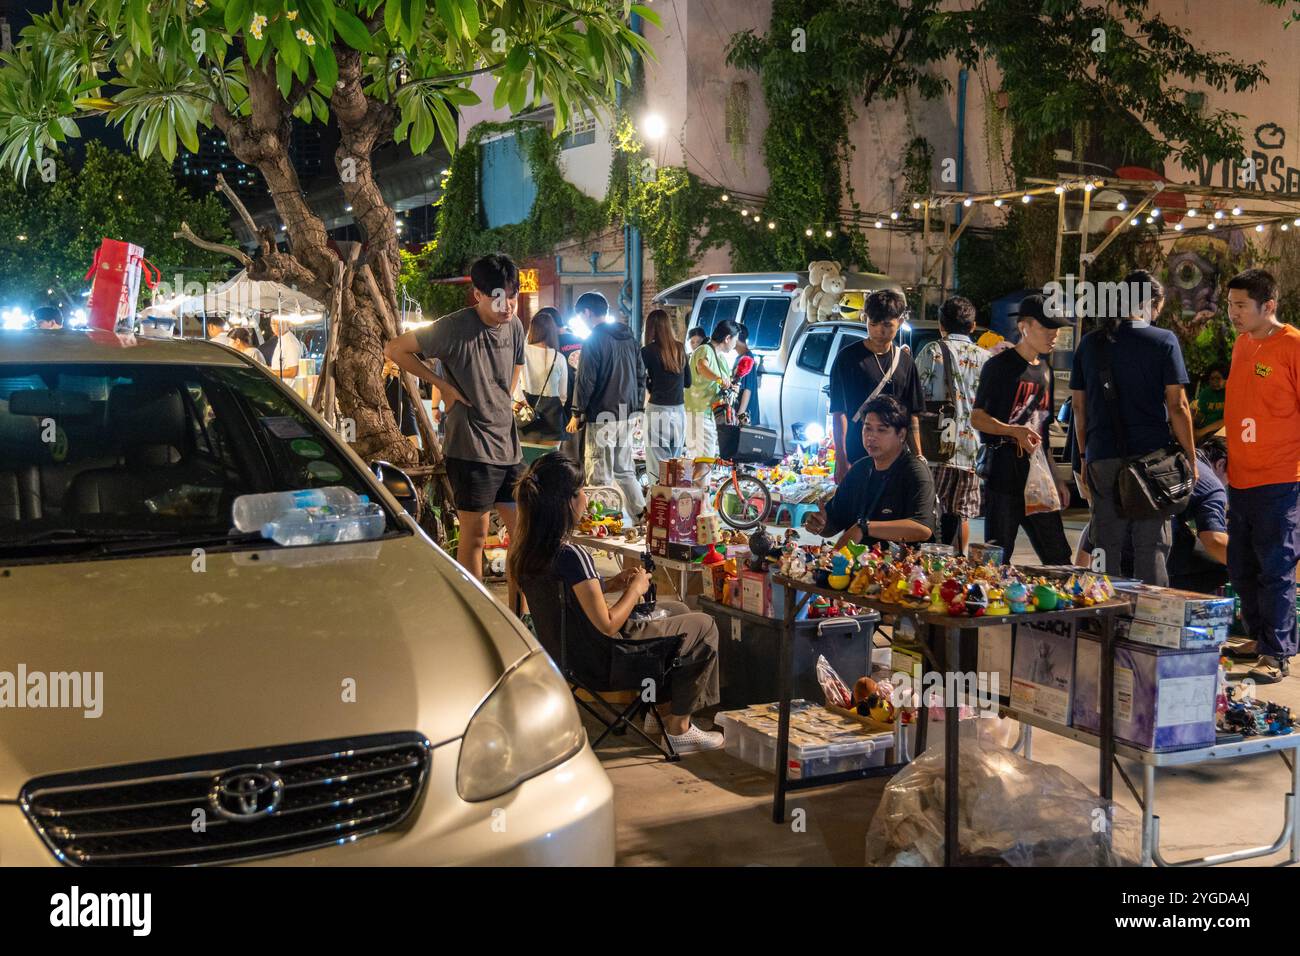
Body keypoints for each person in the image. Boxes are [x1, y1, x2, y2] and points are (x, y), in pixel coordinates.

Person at [511, 454, 724, 754]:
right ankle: (679, 729)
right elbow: (608, 624)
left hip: (567, 653)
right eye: (582, 491)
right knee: (704, 626)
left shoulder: (527, 550)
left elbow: (569, 599)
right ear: (568, 502)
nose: (586, 499)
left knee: (677, 611)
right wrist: (635, 590)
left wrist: (610, 584)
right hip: (604, 660)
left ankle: (659, 712)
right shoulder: (572, 555)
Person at [385, 253, 527, 607]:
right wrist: (441, 385)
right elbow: (395, 349)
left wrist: (503, 398)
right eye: (498, 297)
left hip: (509, 447)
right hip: (470, 448)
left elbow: (516, 366)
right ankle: (480, 614)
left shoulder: (515, 326)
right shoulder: (452, 327)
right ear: (477, 294)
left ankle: (518, 616)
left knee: (524, 536)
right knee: (475, 537)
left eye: (513, 296)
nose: (507, 306)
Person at [1070, 271, 1195, 586]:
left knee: (1105, 543)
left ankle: (1102, 617)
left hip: (1102, 456)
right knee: (1150, 545)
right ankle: (1149, 623)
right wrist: (1190, 456)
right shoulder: (1163, 341)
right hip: (1152, 462)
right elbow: (1178, 407)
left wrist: (1085, 456)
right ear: (1150, 303)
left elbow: (1078, 408)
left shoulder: (1089, 344)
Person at [1223, 268, 1300, 683]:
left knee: (1276, 568)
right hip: (1240, 478)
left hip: (1281, 479)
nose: (1232, 313)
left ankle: (1277, 652)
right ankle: (1259, 636)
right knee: (1240, 567)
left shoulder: (1294, 345)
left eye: (1240, 306)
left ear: (1267, 306)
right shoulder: (1241, 344)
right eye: (1230, 305)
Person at [971, 294, 1073, 565]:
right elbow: (977, 418)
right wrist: (1013, 431)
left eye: (1057, 329)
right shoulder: (999, 367)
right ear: (1024, 328)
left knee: (1059, 556)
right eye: (1047, 328)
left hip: (1038, 478)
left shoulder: (1046, 371)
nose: (1054, 335)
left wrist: (1057, 479)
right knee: (996, 558)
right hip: (1004, 475)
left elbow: (1045, 432)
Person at [1075, 445, 1228, 593]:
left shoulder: (1169, 456)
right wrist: (1249, 563)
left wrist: (1078, 578)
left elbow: (1094, 523)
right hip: (1147, 554)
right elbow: (1214, 541)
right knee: (1228, 565)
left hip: (1113, 551)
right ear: (1221, 463)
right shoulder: (1212, 486)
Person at [806, 396, 937, 548]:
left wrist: (864, 528)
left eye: (881, 430)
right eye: (867, 428)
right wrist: (820, 524)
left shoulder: (915, 471)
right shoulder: (859, 470)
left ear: (901, 435)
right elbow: (833, 525)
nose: (871, 436)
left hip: (904, 566)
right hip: (858, 564)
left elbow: (922, 529)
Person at [915, 295, 989, 555]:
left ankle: (930, 566)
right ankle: (958, 562)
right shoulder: (987, 358)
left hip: (938, 446)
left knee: (932, 510)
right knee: (962, 514)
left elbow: (916, 397)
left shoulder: (932, 351)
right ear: (973, 326)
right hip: (973, 450)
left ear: (941, 325)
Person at [828, 289, 925, 483]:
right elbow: (839, 412)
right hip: (858, 454)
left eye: (887, 325)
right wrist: (841, 458)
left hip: (896, 457)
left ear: (900, 322)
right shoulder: (847, 358)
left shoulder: (906, 362)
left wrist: (919, 457)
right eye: (873, 324)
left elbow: (912, 414)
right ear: (865, 319)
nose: (880, 331)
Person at [567, 293, 647, 518]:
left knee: (599, 472)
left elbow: (586, 380)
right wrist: (638, 408)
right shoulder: (629, 338)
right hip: (627, 414)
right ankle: (641, 515)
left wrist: (577, 412)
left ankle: (603, 522)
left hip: (602, 416)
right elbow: (641, 375)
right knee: (625, 470)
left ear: (586, 313)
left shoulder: (594, 339)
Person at [513, 307, 569, 464]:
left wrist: (521, 401)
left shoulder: (522, 351)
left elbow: (514, 382)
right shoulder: (558, 358)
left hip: (526, 414)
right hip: (552, 417)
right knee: (549, 467)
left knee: (524, 466)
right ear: (552, 332)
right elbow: (563, 394)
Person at [641, 308, 691, 486]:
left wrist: (650, 384)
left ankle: (657, 507)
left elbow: (640, 380)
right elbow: (688, 382)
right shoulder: (679, 348)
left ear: (650, 328)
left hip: (657, 410)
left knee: (657, 465)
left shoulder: (647, 351)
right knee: (675, 463)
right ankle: (674, 507)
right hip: (678, 411)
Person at [684, 319, 738, 459]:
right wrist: (719, 379)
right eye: (735, 339)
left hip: (710, 415)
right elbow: (702, 367)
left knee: (700, 461)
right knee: (704, 462)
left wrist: (731, 386)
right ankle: (698, 482)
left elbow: (724, 382)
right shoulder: (704, 350)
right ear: (727, 338)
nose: (735, 344)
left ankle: (694, 482)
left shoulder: (720, 358)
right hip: (700, 414)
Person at [258, 315, 304, 381]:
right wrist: (268, 369)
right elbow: (280, 366)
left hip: (287, 389)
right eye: (273, 323)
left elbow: (293, 372)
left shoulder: (290, 342)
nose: (276, 326)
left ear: (288, 324)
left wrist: (270, 372)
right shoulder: (282, 339)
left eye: (279, 323)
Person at [733, 323, 762, 426]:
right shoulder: (740, 357)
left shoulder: (747, 358)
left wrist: (740, 415)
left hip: (746, 415)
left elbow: (747, 389)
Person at [1194, 365, 1227, 441]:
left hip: (1222, 432)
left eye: (1218, 378)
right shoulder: (1205, 393)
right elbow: (1201, 414)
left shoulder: (1231, 393)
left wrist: (1201, 432)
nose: (1214, 381)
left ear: (1226, 379)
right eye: (1212, 379)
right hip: (1206, 432)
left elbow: (1227, 420)